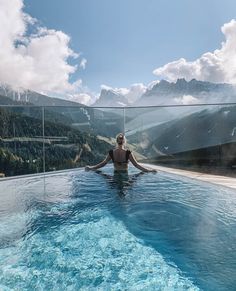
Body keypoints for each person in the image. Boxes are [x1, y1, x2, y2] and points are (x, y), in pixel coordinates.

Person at [85, 133, 157, 173]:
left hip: (115, 174)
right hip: (125, 175)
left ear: (116, 141)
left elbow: (103, 163)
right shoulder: (128, 153)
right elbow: (136, 165)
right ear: (125, 142)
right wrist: (149, 170)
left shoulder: (112, 153)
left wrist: (91, 168)